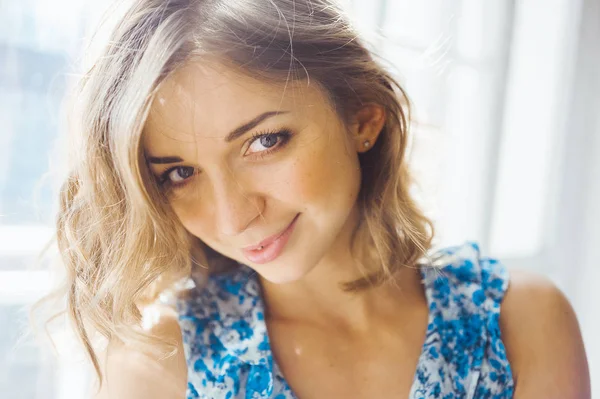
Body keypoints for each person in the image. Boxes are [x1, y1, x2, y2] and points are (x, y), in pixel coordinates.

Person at [44, 0, 590, 398]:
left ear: (362, 117)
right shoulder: (160, 365)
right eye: (180, 173)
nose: (235, 216)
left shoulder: (522, 323)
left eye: (264, 141)